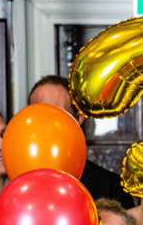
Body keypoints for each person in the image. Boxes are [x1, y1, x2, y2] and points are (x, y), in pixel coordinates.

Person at [28, 76, 134, 209]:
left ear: (78, 118)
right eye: (39, 115)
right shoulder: (17, 184)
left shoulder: (111, 188)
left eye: (58, 114)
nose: (48, 124)